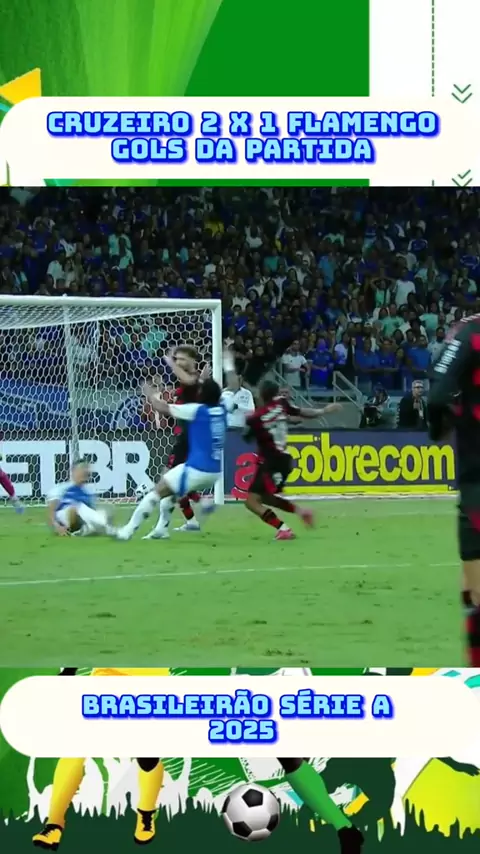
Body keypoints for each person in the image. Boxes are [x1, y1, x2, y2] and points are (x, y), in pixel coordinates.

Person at [32, 668, 170, 849]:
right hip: (106, 679)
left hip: (149, 685)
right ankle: (54, 824)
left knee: (147, 759)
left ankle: (146, 813)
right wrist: (69, 671)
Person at [116, 378, 232, 541]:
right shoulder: (224, 409)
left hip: (196, 469)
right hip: (215, 472)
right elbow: (231, 386)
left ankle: (127, 531)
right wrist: (229, 366)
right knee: (170, 493)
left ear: (202, 394)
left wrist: (149, 393)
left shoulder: (196, 411)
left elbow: (161, 407)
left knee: (155, 494)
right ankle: (162, 529)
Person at [427, 315, 480, 665]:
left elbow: (437, 395)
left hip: (477, 483)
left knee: (475, 596)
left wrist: (440, 427)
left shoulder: (470, 331)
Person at [243, 380, 341, 540]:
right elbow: (301, 412)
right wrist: (323, 410)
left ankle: (284, 529)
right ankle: (300, 512)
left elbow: (246, 437)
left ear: (260, 395)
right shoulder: (281, 404)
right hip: (283, 460)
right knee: (265, 497)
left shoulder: (256, 418)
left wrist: (246, 421)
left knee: (251, 501)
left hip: (271, 462)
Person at [162, 345, 205, 533]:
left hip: (188, 437)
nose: (178, 362)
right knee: (176, 481)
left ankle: (162, 528)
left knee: (168, 479)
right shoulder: (193, 381)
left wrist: (170, 362)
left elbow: (188, 381)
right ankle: (192, 519)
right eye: (177, 359)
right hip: (186, 435)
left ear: (192, 360)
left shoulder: (192, 380)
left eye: (182, 359)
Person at [46, 459, 112, 537]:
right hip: (66, 515)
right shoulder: (60, 489)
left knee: (107, 511)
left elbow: (92, 511)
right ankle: (107, 529)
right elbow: (51, 513)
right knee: (76, 508)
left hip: (84, 518)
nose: (85, 471)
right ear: (73, 471)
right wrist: (57, 527)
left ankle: (86, 530)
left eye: (87, 469)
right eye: (82, 468)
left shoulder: (88, 493)